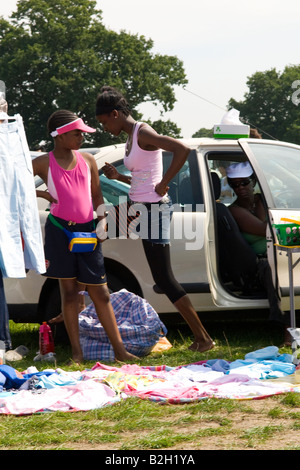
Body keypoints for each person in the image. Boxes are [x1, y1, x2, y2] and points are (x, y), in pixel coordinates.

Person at [95, 86, 214, 353]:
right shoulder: (130, 138)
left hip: (153, 210)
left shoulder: (144, 132)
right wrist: (120, 178)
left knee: (164, 279)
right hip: (139, 205)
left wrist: (165, 183)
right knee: (95, 233)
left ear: (115, 114)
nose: (104, 127)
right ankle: (88, 306)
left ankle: (203, 338)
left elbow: (182, 149)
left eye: (104, 122)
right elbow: (142, 177)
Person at [32, 109, 138, 364]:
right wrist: (43, 195)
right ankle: (77, 354)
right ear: (59, 135)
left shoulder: (88, 160)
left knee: (100, 293)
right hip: (60, 231)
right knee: (69, 294)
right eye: (77, 133)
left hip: (88, 231)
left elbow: (97, 196)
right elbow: (14, 184)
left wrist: (102, 222)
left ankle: (120, 350)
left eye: (82, 133)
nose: (82, 137)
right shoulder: (43, 162)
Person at [226, 162, 290, 343]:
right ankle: (287, 328)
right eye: (234, 185)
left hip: (279, 252)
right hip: (259, 262)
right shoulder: (235, 210)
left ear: (253, 181)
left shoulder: (263, 199)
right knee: (275, 271)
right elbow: (265, 228)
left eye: (244, 182)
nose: (240, 188)